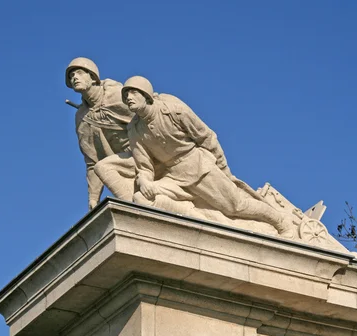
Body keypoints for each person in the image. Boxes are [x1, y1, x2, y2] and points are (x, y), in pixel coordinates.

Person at [119, 76, 294, 237]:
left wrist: (224, 171)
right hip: (174, 176)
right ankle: (201, 222)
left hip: (200, 167)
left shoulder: (173, 110)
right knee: (141, 198)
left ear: (146, 95)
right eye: (126, 94)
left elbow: (207, 137)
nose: (128, 98)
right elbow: (144, 166)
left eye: (133, 92)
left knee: (236, 206)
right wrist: (145, 182)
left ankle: (280, 221)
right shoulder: (134, 130)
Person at [65, 58, 134, 209]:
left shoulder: (116, 95)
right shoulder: (82, 118)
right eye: (71, 76)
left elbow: (146, 118)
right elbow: (93, 162)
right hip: (123, 165)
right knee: (103, 168)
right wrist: (93, 198)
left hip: (147, 154)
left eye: (79, 73)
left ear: (92, 76)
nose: (74, 77)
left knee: (105, 167)